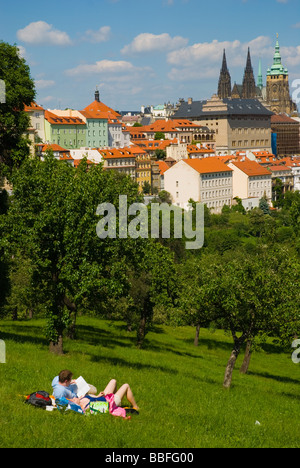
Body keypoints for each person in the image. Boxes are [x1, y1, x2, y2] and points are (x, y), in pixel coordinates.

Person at [52, 371, 139, 418]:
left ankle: (118, 401)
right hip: (111, 401)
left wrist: (98, 396)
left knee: (113, 381)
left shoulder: (57, 381)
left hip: (104, 397)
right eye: (74, 399)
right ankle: (135, 406)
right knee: (126, 385)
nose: (75, 397)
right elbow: (61, 402)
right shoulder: (85, 406)